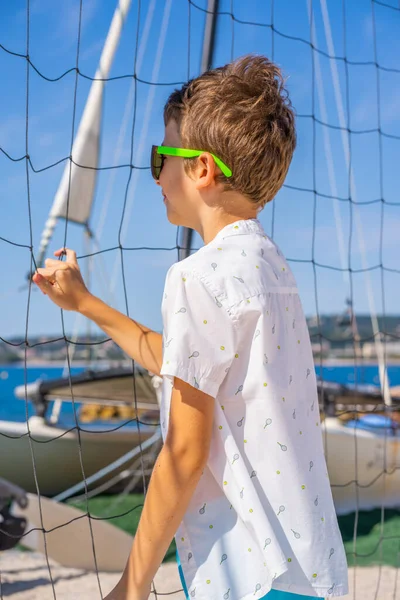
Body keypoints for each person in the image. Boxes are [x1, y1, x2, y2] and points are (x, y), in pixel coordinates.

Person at [32, 54, 349, 600]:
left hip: (250, 575)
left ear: (200, 169)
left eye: (162, 156)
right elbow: (187, 362)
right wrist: (85, 303)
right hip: (311, 567)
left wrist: (132, 586)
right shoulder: (273, 268)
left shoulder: (196, 276)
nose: (156, 172)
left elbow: (184, 453)